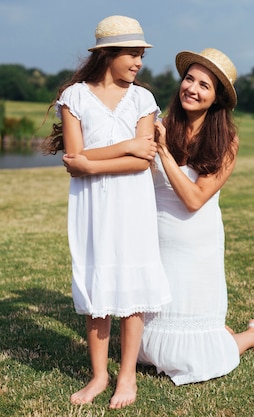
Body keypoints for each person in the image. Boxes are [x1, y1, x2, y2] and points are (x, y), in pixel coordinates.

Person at [63, 48, 254, 386]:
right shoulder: (158, 124)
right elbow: (119, 154)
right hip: (153, 244)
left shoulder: (227, 140)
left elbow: (195, 199)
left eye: (204, 85)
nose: (192, 89)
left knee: (194, 359)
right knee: (145, 352)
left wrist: (163, 152)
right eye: (189, 79)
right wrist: (86, 163)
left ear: (217, 99)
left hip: (198, 250)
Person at [43, 15, 171, 408]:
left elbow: (142, 159)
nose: (138, 62)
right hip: (93, 205)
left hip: (132, 204)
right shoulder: (75, 97)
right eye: (132, 54)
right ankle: (99, 375)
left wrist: (91, 164)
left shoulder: (143, 99)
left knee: (132, 289)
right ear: (108, 55)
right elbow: (74, 153)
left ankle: (126, 377)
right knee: (97, 285)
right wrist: (123, 146)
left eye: (141, 55)